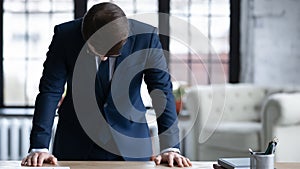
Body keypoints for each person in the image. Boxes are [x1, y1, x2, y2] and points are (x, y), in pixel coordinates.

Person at [21, 2, 192, 167]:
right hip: (75, 141)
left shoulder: (146, 38)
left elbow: (161, 90)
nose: (103, 59)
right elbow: (50, 91)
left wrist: (170, 147)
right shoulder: (65, 35)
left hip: (131, 142)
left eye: (110, 55)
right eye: (96, 51)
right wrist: (39, 146)